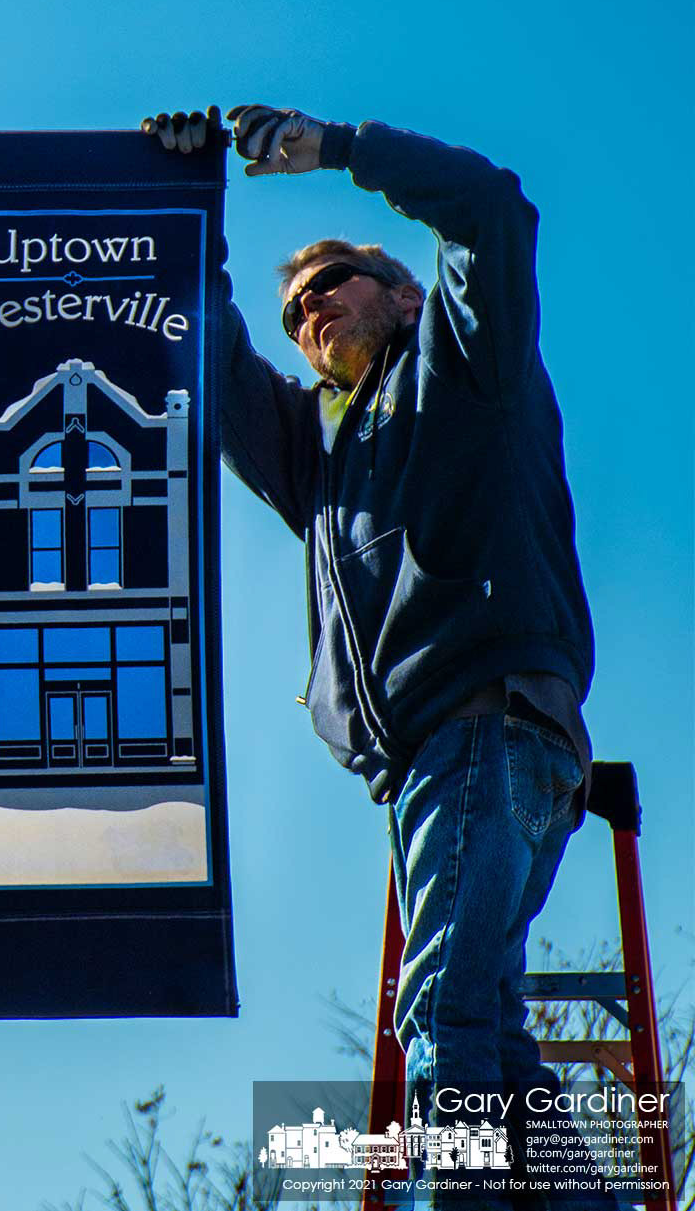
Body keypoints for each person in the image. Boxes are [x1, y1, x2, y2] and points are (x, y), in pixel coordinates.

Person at [143, 104, 596, 1144]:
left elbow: (491, 207)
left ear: (400, 291)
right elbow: (213, 372)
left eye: (331, 284)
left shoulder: (463, 363)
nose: (309, 314)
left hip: (489, 724)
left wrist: (337, 149)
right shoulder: (321, 454)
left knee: (441, 1012)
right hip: (442, 759)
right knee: (494, 1032)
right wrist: (187, 199)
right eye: (296, 312)